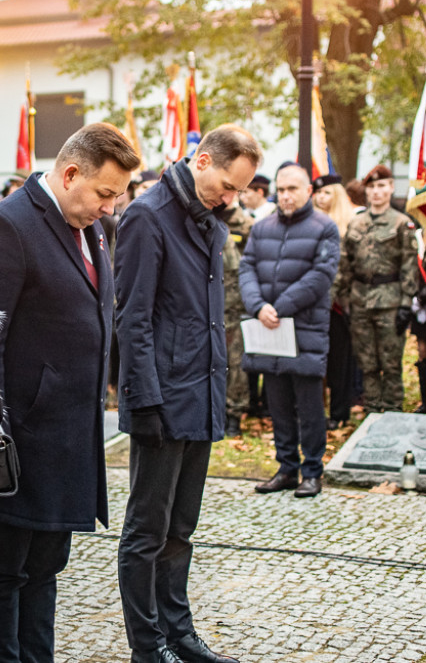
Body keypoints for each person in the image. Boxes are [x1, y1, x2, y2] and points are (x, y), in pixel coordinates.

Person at [0, 122, 140, 662]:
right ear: (68, 174)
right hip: (20, 446)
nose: (109, 208)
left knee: (45, 573)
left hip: (67, 439)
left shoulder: (89, 227)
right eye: (105, 193)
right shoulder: (6, 228)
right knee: (7, 578)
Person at [116, 124, 261, 663]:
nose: (231, 198)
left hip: (200, 393)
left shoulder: (208, 220)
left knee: (182, 528)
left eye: (239, 191)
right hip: (162, 398)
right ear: (202, 161)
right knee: (146, 530)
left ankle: (178, 633)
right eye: (226, 184)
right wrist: (145, 399)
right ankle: (147, 645)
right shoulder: (148, 216)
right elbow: (132, 319)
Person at [241, 163, 340, 499]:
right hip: (268, 328)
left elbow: (320, 276)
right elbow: (247, 268)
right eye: (280, 190)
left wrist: (278, 307)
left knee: (310, 407)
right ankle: (286, 467)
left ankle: (312, 471)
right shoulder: (261, 227)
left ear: (308, 191)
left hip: (304, 330)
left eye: (291, 189)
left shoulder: (325, 228)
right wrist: (258, 306)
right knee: (278, 403)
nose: (284, 195)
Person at [333, 165, 417, 415]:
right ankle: (372, 410)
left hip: (390, 302)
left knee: (390, 364)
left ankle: (392, 412)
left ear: (391, 188)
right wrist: (343, 298)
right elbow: (345, 264)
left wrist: (406, 303)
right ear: (366, 191)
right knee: (367, 363)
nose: (377, 192)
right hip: (360, 302)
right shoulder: (356, 224)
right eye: (371, 187)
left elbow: (409, 266)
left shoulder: (402, 223)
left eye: (382, 186)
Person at [313, 174, 356, 428]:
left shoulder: (350, 225)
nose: (321, 198)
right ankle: (319, 409)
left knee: (339, 360)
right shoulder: (311, 225)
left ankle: (339, 412)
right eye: (318, 193)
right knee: (318, 360)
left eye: (327, 193)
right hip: (314, 302)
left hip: (338, 304)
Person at [219, 194, 254, 437]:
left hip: (236, 303)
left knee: (236, 362)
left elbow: (254, 264)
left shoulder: (248, 225)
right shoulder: (206, 219)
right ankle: (216, 410)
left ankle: (234, 414)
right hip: (209, 302)